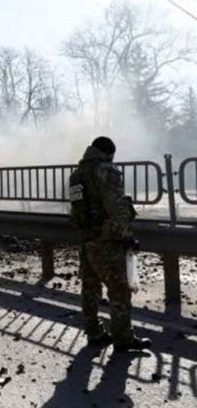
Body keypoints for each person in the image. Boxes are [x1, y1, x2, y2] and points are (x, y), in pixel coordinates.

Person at [69, 136, 151, 351]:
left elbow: (76, 210)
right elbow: (116, 206)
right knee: (119, 290)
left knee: (90, 287)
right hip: (108, 240)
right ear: (109, 153)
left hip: (87, 239)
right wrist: (126, 235)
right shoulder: (106, 170)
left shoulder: (76, 175)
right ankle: (123, 339)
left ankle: (94, 332)